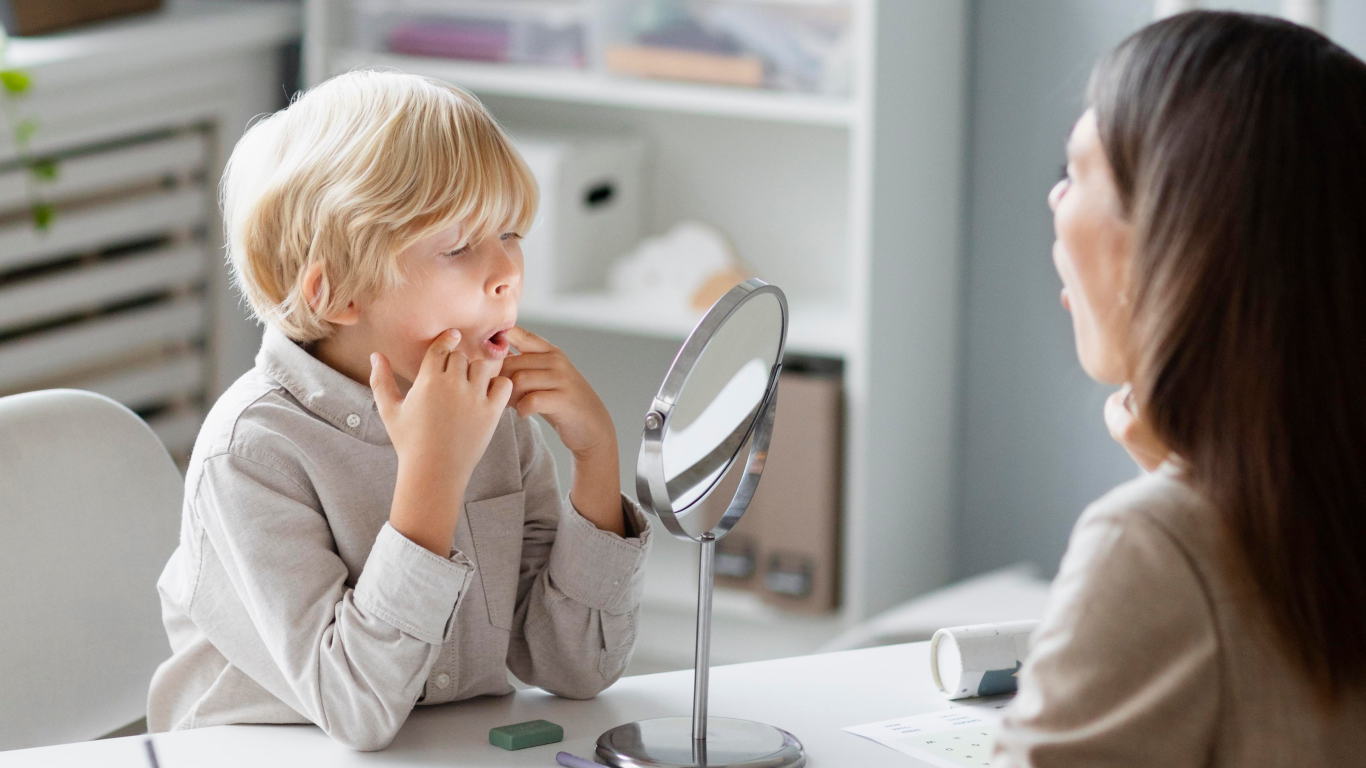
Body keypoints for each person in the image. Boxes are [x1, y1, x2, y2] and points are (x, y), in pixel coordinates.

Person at [146, 71, 651, 751]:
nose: (507, 270)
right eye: (459, 246)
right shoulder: (251, 454)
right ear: (339, 293)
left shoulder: (494, 417)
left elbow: (575, 667)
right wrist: (436, 472)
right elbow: (357, 708)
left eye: (510, 233)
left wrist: (596, 456)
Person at [994, 11, 1366, 766]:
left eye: (1074, 176)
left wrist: (1174, 508)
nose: (1053, 205)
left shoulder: (1152, 548)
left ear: (1167, 241)